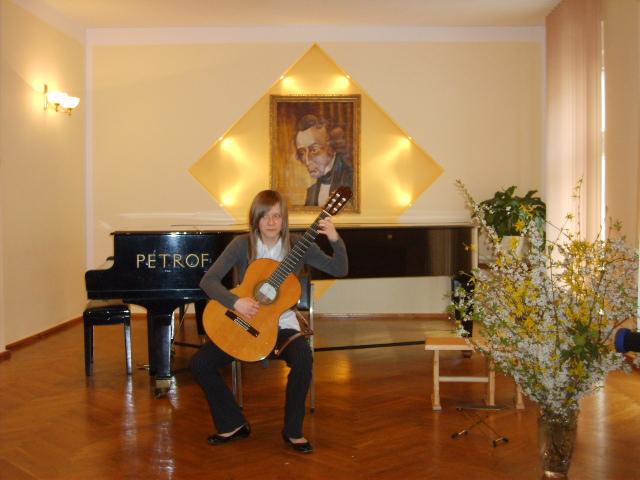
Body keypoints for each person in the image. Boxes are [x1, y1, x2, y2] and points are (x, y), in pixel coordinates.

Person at [190, 189, 348, 453]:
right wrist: (235, 302)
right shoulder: (242, 244)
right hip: (243, 320)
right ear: (255, 219)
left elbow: (340, 269)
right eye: (265, 216)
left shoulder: (299, 244)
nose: (271, 222)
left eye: (277, 216)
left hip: (282, 326)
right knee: (200, 363)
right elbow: (208, 281)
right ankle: (232, 423)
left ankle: (293, 431)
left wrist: (334, 238)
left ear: (284, 218)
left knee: (303, 359)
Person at [294, 114, 353, 206]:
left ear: (332, 147)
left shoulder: (352, 182)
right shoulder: (311, 192)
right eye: (302, 153)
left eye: (314, 150)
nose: (307, 161)